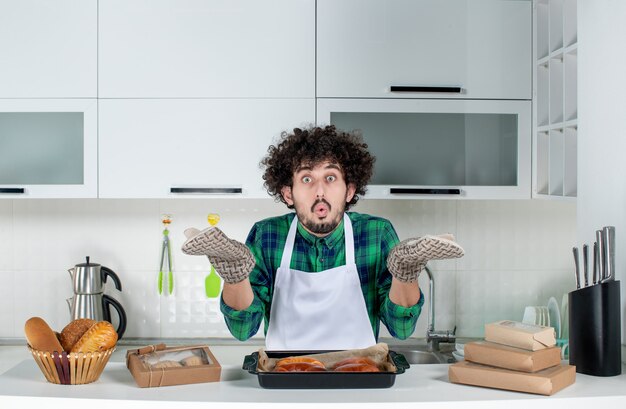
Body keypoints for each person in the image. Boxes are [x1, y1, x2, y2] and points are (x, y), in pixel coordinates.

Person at [182, 125, 464, 350]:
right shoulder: (267, 235)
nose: (319, 191)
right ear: (288, 193)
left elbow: (401, 331)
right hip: (285, 382)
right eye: (307, 179)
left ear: (349, 190)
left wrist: (406, 273)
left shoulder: (377, 234)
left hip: (359, 380)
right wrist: (234, 276)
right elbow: (243, 331)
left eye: (330, 178)